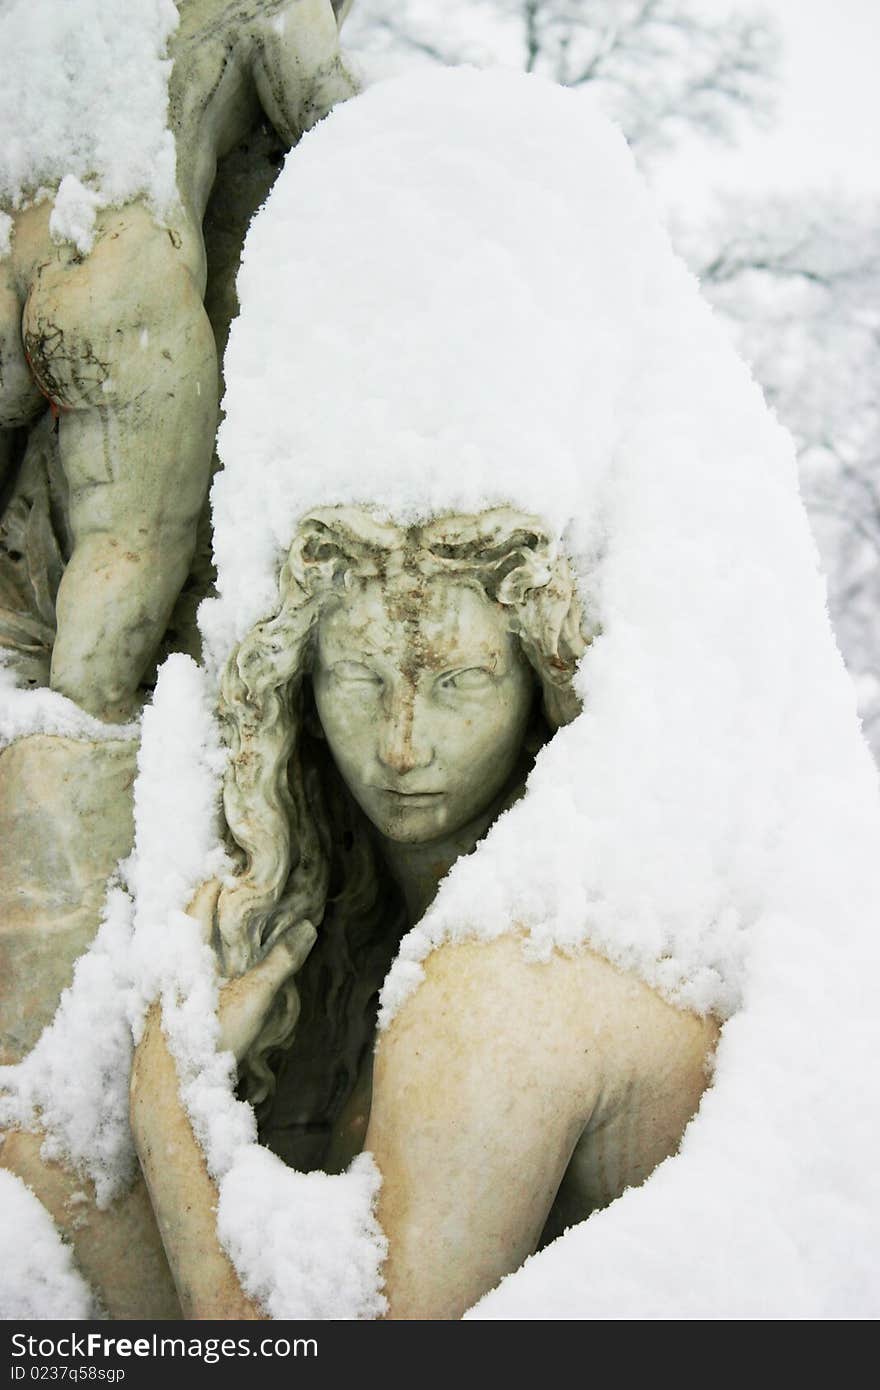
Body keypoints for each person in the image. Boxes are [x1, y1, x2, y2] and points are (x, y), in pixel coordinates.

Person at [128, 505, 719, 1319]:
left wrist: (169, 1093)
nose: (402, 745)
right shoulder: (368, 931)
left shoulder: (509, 975)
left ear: (539, 685)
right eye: (360, 678)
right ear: (301, 686)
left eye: (460, 681)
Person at [0, 0, 356, 721]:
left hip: (14, 249)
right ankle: (83, 717)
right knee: (134, 537)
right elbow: (338, 129)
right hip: (118, 274)